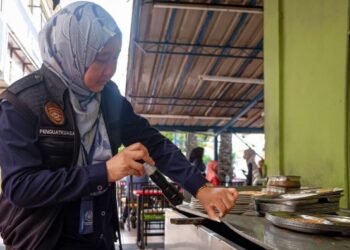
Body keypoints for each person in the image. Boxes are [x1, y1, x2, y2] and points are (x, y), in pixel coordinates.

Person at [0, 2, 238, 250]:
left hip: (97, 234)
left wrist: (201, 188)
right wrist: (104, 172)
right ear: (73, 51)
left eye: (115, 57)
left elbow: (153, 143)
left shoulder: (108, 98)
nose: (110, 70)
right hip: (41, 240)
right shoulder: (22, 103)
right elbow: (21, 187)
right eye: (102, 58)